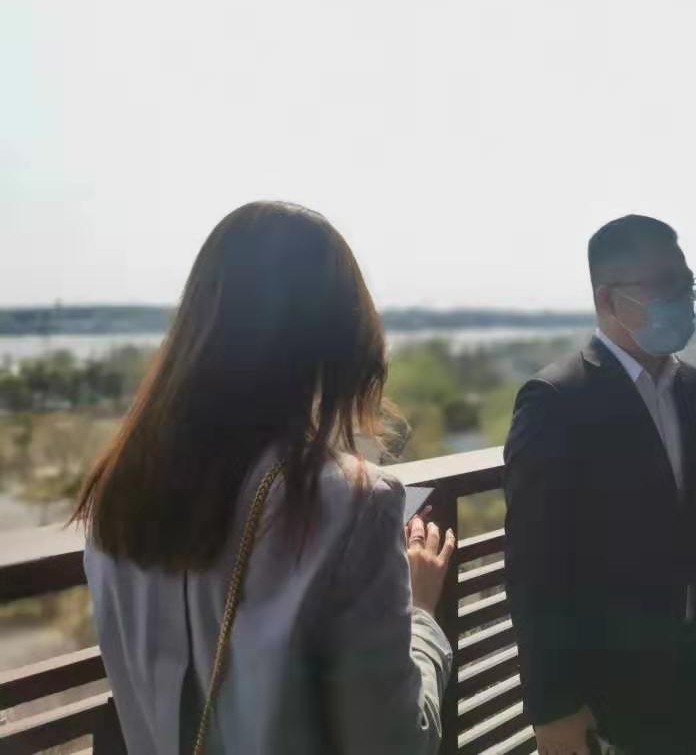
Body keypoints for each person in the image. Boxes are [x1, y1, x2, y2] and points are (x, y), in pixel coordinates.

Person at [74, 201, 455, 754]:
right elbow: (397, 744)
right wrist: (421, 617)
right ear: (335, 340)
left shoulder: (116, 494)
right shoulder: (354, 503)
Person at [503, 215, 696, 755]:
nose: (682, 300)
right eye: (664, 285)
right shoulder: (557, 399)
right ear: (607, 299)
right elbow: (535, 568)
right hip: (605, 686)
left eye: (686, 284)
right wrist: (553, 705)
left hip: (687, 665)